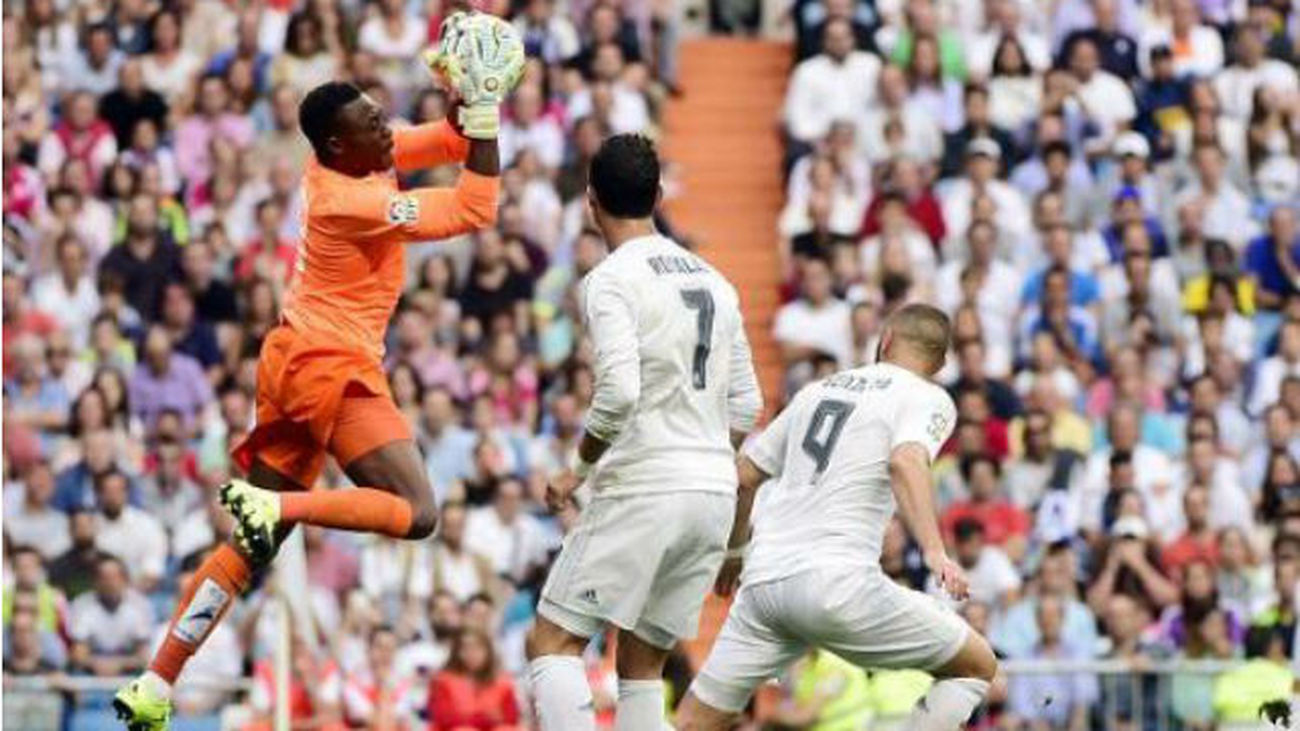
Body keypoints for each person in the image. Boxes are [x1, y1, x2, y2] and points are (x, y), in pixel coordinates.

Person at [113, 14, 522, 727]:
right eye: (373, 119)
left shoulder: (355, 158)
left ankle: (155, 680)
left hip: (291, 359)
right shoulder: (354, 199)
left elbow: (452, 142)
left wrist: (465, 95)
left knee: (245, 551)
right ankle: (282, 505)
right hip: (333, 363)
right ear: (341, 141)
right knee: (420, 513)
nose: (389, 126)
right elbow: (474, 206)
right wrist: (482, 111)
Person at [525, 133, 762, 731]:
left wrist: (574, 472)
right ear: (657, 195)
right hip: (710, 491)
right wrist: (705, 462)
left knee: (552, 642)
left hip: (646, 484)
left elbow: (620, 393)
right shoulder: (717, 281)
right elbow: (749, 404)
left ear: (589, 201)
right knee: (641, 662)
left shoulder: (609, 279)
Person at [676, 304, 999, 731]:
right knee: (977, 665)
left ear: (884, 341)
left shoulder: (816, 391)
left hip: (763, 588)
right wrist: (936, 552)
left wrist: (735, 552)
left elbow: (743, 477)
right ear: (940, 364)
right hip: (837, 584)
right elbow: (906, 461)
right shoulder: (927, 396)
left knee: (694, 722)